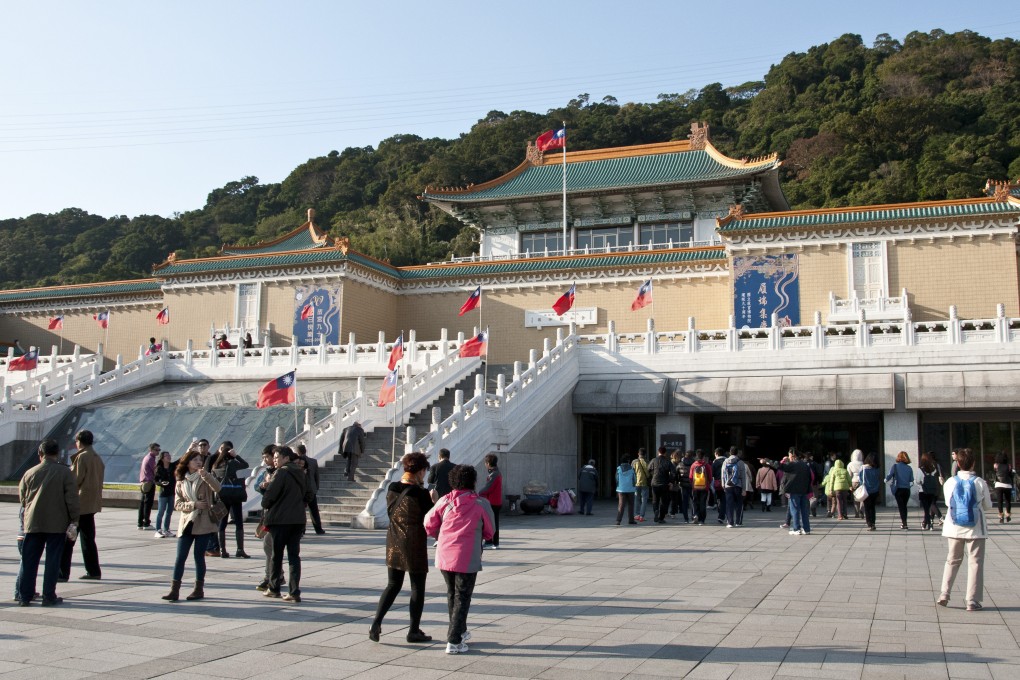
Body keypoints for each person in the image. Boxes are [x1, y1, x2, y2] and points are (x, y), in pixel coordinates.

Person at [424, 464, 495, 655]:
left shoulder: (444, 501)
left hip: (445, 554)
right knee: (462, 596)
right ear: (472, 482)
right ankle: (453, 640)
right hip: (467, 556)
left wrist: (439, 535)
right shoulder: (480, 504)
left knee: (452, 594)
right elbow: (490, 532)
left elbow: (428, 523)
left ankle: (459, 631)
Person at [369, 452, 434, 643]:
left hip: (394, 540)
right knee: (417, 587)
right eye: (424, 471)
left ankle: (376, 623)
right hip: (414, 542)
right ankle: (413, 630)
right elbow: (430, 520)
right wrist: (435, 500)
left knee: (393, 584)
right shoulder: (421, 494)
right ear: (421, 471)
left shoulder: (393, 487)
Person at [17, 439, 79, 606]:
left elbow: (22, 499)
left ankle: (25, 596)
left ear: (40, 454)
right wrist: (74, 519)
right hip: (56, 523)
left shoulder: (29, 472)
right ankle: (48, 596)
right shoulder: (65, 473)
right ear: (57, 453)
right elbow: (72, 499)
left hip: (33, 522)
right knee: (53, 560)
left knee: (29, 561)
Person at [938, 447, 993, 611]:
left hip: (954, 527)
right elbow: (988, 506)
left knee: (952, 560)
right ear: (973, 463)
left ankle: (944, 594)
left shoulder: (950, 482)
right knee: (975, 562)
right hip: (976, 528)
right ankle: (972, 600)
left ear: (958, 463)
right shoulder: (979, 482)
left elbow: (948, 503)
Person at [162, 449, 221, 602]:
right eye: (195, 460)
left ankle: (198, 589)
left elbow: (218, 488)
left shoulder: (205, 477)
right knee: (180, 557)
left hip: (204, 522)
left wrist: (206, 476)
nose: (199, 462)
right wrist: (193, 504)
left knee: (198, 557)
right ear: (187, 462)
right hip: (187, 522)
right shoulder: (181, 480)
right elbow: (177, 504)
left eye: (200, 459)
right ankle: (174, 590)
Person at [262, 446, 314, 602]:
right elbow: (310, 494)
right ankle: (294, 591)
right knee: (294, 556)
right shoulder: (301, 472)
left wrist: (265, 496)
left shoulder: (281, 473)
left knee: (276, 556)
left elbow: (269, 497)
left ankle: (274, 588)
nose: (275, 459)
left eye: (277, 457)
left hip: (280, 520)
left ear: (286, 458)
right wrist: (298, 504)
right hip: (297, 520)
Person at [59, 429, 104, 581]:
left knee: (69, 539)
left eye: (77, 441)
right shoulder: (96, 457)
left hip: (80, 504)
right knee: (88, 539)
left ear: (80, 441)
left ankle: (62, 573)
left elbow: (75, 481)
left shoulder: (83, 457)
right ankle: (93, 571)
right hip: (91, 504)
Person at [209, 441, 250, 558]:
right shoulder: (234, 464)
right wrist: (236, 456)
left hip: (223, 496)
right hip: (235, 495)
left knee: (222, 524)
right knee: (238, 523)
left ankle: (222, 550)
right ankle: (240, 550)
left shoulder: (216, 465)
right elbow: (246, 465)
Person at [253, 445, 282, 592]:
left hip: (277, 514)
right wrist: (263, 485)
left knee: (269, 545)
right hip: (268, 512)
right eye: (263, 458)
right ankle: (274, 575)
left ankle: (272, 576)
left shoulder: (281, 473)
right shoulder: (266, 472)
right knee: (269, 545)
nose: (266, 460)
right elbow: (256, 485)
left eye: (268, 457)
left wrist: (269, 485)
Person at [778, 449, 811, 535]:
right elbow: (809, 477)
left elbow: (781, 467)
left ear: (793, 455)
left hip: (795, 491)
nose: (789, 457)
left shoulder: (793, 464)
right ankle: (806, 529)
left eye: (789, 455)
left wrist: (768, 461)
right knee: (804, 510)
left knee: (795, 510)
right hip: (804, 490)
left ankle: (796, 528)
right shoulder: (805, 465)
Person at [296, 444, 325, 534]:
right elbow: (317, 476)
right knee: (314, 510)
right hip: (312, 489)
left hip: (300, 489)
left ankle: (302, 529)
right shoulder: (313, 461)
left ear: (297, 452)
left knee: (301, 510)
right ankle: (318, 529)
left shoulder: (296, 462)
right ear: (305, 450)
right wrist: (316, 487)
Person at [479, 454, 503, 549]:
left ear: (488, 463)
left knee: (488, 522)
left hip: (492, 502)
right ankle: (495, 542)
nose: (485, 465)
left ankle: (489, 541)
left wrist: (478, 493)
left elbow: (488, 488)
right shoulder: (496, 472)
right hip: (495, 502)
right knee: (494, 523)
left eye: (485, 463)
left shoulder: (494, 474)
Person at [916, 452, 945, 531]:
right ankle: (928, 523)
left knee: (927, 508)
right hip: (933, 490)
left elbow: (918, 481)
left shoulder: (921, 469)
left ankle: (931, 522)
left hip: (923, 490)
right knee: (931, 506)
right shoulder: (933, 468)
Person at [886, 451, 914, 530]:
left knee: (901, 506)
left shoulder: (895, 466)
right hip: (907, 490)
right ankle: (904, 522)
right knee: (904, 506)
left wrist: (885, 480)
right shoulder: (909, 468)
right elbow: (911, 479)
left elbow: (889, 476)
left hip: (898, 489)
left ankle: (904, 523)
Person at [855, 453, 882, 531]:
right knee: (873, 507)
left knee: (867, 507)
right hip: (875, 490)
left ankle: (869, 523)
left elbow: (860, 479)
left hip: (866, 490)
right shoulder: (877, 469)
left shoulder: (863, 468)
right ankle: (873, 523)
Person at [648, 446, 675, 523]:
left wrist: (653, 475)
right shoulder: (668, 461)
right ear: (665, 453)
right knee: (663, 501)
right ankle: (661, 518)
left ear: (658, 452)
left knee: (655, 500)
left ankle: (656, 511)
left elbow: (648, 469)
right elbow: (673, 472)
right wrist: (670, 481)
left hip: (655, 483)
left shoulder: (654, 460)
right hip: (664, 483)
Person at [153, 451, 176, 537]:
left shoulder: (172, 466)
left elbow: (181, 460)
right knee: (161, 512)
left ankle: (166, 529)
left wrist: (190, 448)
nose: (169, 457)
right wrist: (161, 483)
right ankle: (158, 530)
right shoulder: (159, 468)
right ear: (162, 458)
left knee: (169, 512)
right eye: (166, 456)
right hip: (163, 493)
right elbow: (155, 480)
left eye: (169, 455)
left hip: (171, 492)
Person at [137, 443, 159, 530]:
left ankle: (140, 523)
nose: (158, 452)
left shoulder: (147, 457)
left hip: (144, 483)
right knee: (148, 504)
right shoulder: (151, 459)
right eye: (156, 450)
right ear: (151, 450)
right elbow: (155, 471)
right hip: (149, 483)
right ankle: (146, 523)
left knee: (142, 504)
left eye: (159, 450)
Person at [722, 449, 745, 528]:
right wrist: (744, 489)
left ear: (730, 452)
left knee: (729, 504)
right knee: (739, 504)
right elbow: (743, 477)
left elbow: (723, 474)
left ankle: (730, 522)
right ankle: (738, 522)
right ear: (737, 453)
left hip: (728, 485)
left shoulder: (725, 461)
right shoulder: (741, 462)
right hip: (738, 485)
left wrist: (723, 485)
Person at [689, 451, 713, 524]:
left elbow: (690, 477)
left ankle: (696, 515)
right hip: (704, 487)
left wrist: (693, 484)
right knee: (703, 503)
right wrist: (708, 484)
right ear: (703, 457)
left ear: (696, 456)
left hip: (695, 487)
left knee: (695, 502)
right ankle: (702, 520)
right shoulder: (707, 465)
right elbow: (710, 477)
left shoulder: (693, 465)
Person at [615, 455, 637, 525]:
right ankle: (631, 520)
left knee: (621, 505)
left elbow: (616, 478)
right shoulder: (632, 468)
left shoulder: (618, 468)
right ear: (628, 461)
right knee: (631, 505)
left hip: (621, 489)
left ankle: (618, 520)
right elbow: (635, 479)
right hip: (630, 489)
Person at [992, 451, 1013, 524]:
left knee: (999, 501)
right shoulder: (1009, 466)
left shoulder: (996, 465)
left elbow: (995, 473)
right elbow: (1010, 475)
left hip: (999, 484)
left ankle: (1001, 516)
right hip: (1008, 485)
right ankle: (1008, 514)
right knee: (1008, 501)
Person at [631, 448, 650, 522]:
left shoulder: (634, 462)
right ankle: (642, 516)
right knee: (644, 500)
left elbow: (632, 472)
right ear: (645, 454)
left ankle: (637, 515)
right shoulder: (647, 462)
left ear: (638, 454)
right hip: (645, 483)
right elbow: (649, 472)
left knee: (636, 498)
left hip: (636, 483)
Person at [676, 450, 695, 523]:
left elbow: (676, 473)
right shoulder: (694, 464)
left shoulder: (680, 464)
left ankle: (686, 519)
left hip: (683, 485)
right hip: (692, 485)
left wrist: (677, 481)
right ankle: (694, 516)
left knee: (684, 502)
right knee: (693, 501)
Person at [846, 449, 865, 519]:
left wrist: (849, 484)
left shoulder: (850, 464)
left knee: (855, 498)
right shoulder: (863, 463)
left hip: (853, 481)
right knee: (862, 497)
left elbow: (849, 475)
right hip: (861, 482)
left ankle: (856, 513)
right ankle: (862, 511)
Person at [711, 448, 727, 524]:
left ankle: (721, 514)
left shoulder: (715, 462)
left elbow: (712, 474)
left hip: (717, 484)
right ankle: (723, 515)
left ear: (716, 454)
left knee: (719, 499)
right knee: (724, 499)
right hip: (726, 483)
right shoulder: (727, 461)